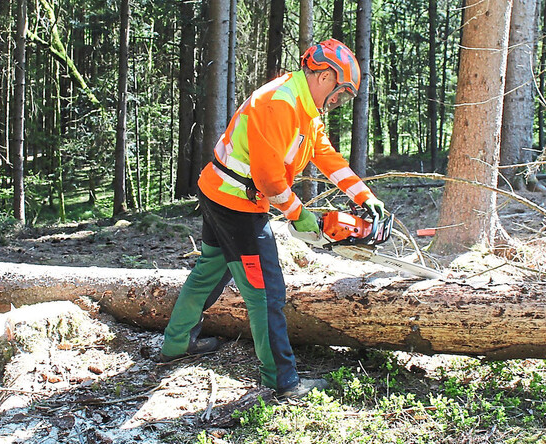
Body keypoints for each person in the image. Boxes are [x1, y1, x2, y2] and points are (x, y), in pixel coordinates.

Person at [157, 38, 387, 399]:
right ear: (325, 76)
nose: (339, 102)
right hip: (237, 204)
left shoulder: (304, 106)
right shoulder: (281, 104)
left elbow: (324, 155)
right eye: (341, 93)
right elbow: (268, 180)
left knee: (210, 269)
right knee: (266, 292)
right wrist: (298, 214)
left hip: (220, 191)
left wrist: (362, 193)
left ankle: (175, 344)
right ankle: (281, 381)